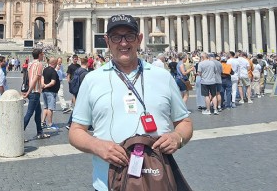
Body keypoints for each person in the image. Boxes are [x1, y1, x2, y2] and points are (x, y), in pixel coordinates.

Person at [69, 14, 192, 191]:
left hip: (158, 182)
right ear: (107, 41)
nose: (123, 43)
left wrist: (177, 137)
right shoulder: (91, 80)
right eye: (116, 37)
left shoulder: (163, 77)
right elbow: (76, 131)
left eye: (129, 36)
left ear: (139, 39)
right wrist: (97, 146)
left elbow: (184, 122)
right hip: (108, 184)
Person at [22, 48, 50, 140]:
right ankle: (19, 134)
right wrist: (29, 91)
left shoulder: (30, 64)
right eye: (42, 54)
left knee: (38, 112)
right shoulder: (39, 64)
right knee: (29, 113)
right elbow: (34, 79)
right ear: (39, 55)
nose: (43, 56)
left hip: (33, 92)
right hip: (34, 92)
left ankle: (40, 132)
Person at [41, 57, 60, 129]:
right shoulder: (53, 72)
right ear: (54, 63)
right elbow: (53, 82)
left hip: (44, 92)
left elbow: (42, 78)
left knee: (45, 107)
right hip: (51, 92)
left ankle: (42, 122)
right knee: (50, 108)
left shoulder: (45, 69)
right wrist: (46, 86)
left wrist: (43, 85)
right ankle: (50, 123)